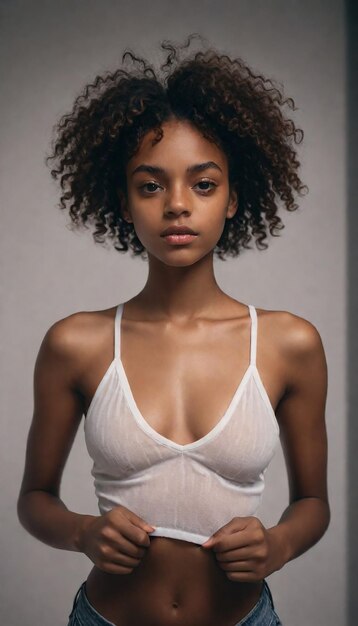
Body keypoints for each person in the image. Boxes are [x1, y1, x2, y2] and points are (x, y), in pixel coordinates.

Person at [17, 35, 330, 626]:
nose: (177, 205)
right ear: (124, 200)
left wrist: (279, 545)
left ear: (234, 197)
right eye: (151, 184)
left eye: (203, 184)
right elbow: (34, 500)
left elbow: (314, 504)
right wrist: (84, 531)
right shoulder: (75, 345)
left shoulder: (290, 344)